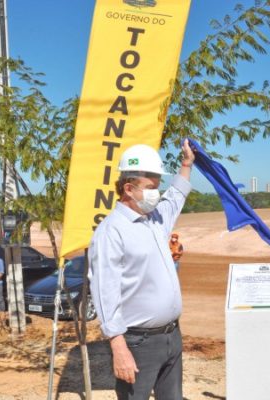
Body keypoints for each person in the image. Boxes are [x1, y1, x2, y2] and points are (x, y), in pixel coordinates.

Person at [89, 140, 195, 400]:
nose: (156, 193)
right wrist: (118, 346)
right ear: (128, 187)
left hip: (171, 335)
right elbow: (105, 292)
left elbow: (176, 196)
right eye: (150, 187)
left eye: (157, 186)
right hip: (138, 343)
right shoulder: (111, 232)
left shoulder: (155, 219)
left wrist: (186, 165)